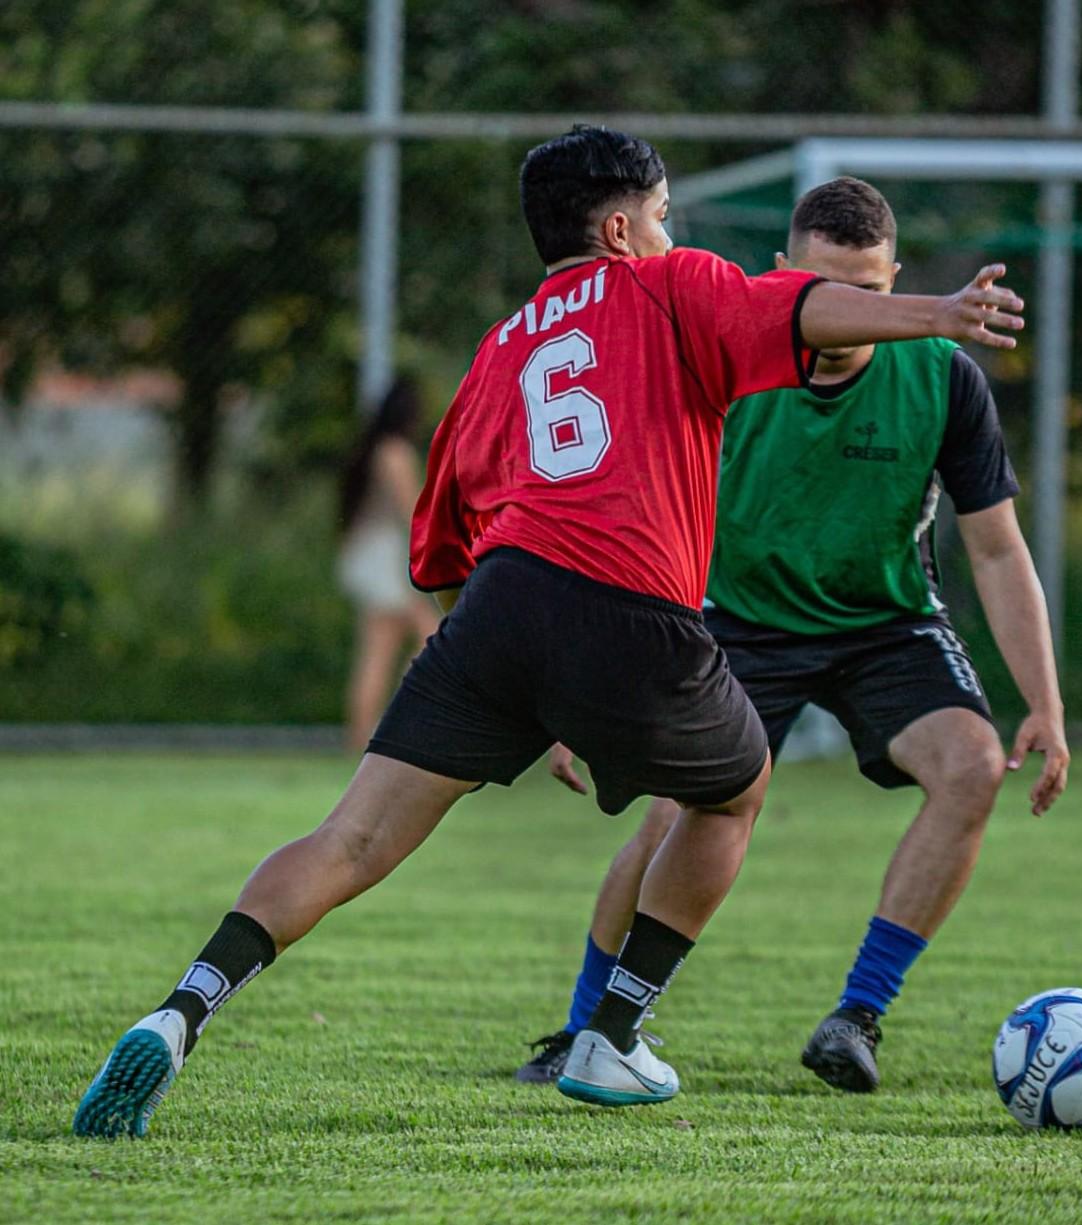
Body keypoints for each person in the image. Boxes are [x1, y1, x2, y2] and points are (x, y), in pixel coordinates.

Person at [72, 127, 1025, 1138]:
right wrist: (940, 313)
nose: (672, 232)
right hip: (631, 603)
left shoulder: (505, 345)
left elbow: (438, 551)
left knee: (348, 838)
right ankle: (612, 1038)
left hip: (497, 606)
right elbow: (800, 307)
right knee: (736, 788)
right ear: (619, 229)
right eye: (660, 216)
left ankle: (180, 1011)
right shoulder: (673, 287)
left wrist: (525, 686)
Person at [516, 176, 1067, 1094]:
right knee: (669, 816)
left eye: (869, 293)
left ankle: (856, 1017)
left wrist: (1044, 703)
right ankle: (587, 1029)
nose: (847, 315)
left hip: (883, 623)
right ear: (780, 277)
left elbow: (998, 552)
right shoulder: (719, 359)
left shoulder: (941, 377)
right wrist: (579, 685)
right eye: (826, 290)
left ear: (894, 283)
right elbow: (620, 515)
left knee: (970, 765)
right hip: (731, 623)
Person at [337, 377, 441, 750]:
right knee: (420, 640)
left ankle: (369, 734)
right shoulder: (395, 453)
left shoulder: (374, 450)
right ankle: (380, 733)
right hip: (384, 559)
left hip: (370, 555)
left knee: (387, 647)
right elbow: (413, 513)